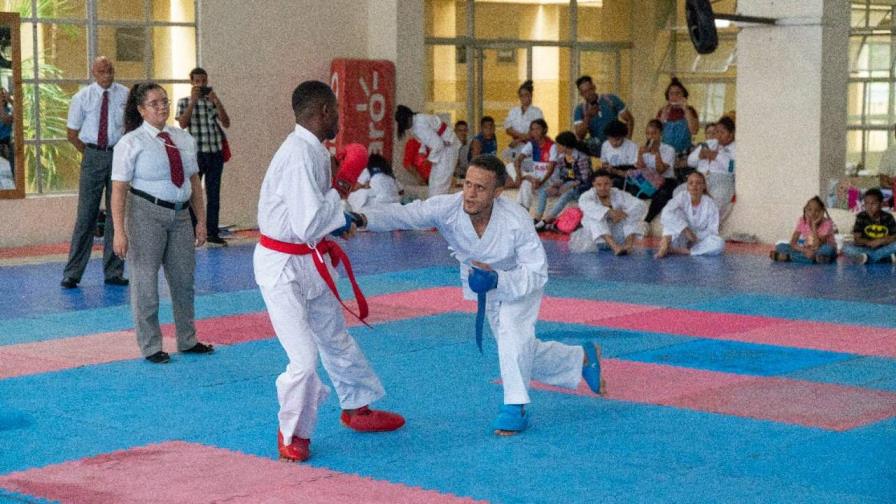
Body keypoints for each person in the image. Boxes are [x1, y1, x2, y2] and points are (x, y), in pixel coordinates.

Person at [359, 154, 606, 436]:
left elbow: (538, 272)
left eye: (480, 188)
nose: (470, 194)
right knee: (518, 350)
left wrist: (498, 278)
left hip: (519, 282)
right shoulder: (447, 208)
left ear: (497, 193)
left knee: (513, 335)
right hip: (483, 286)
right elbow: (404, 214)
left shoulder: (516, 220)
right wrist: (363, 217)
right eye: (467, 184)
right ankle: (580, 358)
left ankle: (515, 407)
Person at [255, 81, 404, 463]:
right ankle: (293, 431)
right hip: (282, 266)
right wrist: (342, 212)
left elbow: (316, 216)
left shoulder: (314, 152)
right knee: (304, 357)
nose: (340, 117)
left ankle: (356, 406)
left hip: (309, 259)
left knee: (335, 337)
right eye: (336, 110)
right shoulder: (298, 155)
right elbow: (308, 223)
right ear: (322, 111)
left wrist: (338, 209)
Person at [109, 82, 215, 364]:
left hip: (180, 214)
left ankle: (188, 339)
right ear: (141, 109)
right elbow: (118, 189)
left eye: (164, 102)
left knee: (184, 280)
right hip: (145, 213)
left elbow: (194, 181)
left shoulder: (182, 138)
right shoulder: (130, 143)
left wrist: (200, 221)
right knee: (145, 281)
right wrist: (119, 231)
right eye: (154, 103)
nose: (162, 107)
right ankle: (151, 345)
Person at [60, 56, 128, 289]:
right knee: (86, 216)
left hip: (118, 153)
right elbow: (71, 133)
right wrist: (90, 154)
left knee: (116, 215)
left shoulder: (125, 95)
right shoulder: (82, 97)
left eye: (110, 70)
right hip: (92, 153)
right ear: (94, 72)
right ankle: (72, 273)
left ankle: (114, 271)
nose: (107, 74)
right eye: (102, 71)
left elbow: (131, 127)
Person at [176, 67, 231, 246]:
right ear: (192, 82)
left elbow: (226, 122)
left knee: (214, 194)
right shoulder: (184, 101)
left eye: (204, 81)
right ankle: (192, 230)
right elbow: (183, 124)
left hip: (215, 152)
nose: (201, 84)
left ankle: (212, 232)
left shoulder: (212, 102)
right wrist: (193, 101)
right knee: (193, 193)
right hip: (196, 154)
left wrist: (217, 101)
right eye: (197, 81)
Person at [576, 170, 647, 255]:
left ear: (611, 183)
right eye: (599, 185)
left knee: (633, 215)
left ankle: (628, 246)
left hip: (617, 235)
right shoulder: (586, 196)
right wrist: (610, 212)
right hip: (597, 239)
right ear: (593, 184)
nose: (603, 188)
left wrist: (623, 213)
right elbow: (588, 207)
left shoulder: (618, 193)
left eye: (606, 184)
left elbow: (639, 205)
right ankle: (615, 248)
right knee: (595, 218)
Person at [655, 171, 724, 258]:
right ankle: (666, 242)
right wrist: (685, 229)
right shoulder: (682, 197)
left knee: (719, 243)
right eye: (691, 183)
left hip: (698, 240)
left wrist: (695, 237)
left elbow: (712, 230)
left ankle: (682, 251)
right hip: (681, 235)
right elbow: (666, 213)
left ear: (703, 186)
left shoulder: (711, 204)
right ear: (687, 186)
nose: (694, 185)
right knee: (673, 213)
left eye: (698, 183)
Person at [395, 105, 460, 197]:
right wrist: (422, 152)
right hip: (445, 148)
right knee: (434, 184)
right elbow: (425, 141)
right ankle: (435, 207)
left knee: (438, 188)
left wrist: (428, 160)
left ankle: (437, 209)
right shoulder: (418, 119)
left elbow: (438, 145)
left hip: (447, 149)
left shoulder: (419, 126)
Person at [533, 131, 593, 230]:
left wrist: (567, 186)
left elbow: (585, 179)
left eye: (558, 145)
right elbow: (563, 177)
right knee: (544, 191)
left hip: (581, 187)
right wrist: (557, 185)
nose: (556, 147)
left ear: (565, 146)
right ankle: (537, 219)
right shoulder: (561, 158)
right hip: (568, 184)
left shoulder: (582, 158)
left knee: (567, 194)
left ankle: (545, 221)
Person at [686, 116, 736, 222]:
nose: (718, 135)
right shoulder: (710, 143)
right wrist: (699, 156)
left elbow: (734, 168)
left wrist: (716, 156)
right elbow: (690, 162)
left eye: (722, 132)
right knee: (679, 193)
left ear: (731, 134)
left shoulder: (735, 148)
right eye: (717, 132)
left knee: (717, 198)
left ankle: (705, 227)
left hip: (721, 180)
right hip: (700, 177)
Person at [573, 75, 634, 156]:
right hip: (597, 146)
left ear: (594, 87)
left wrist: (627, 141)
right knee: (574, 144)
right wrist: (588, 117)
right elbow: (580, 136)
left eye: (590, 89)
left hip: (615, 141)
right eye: (585, 92)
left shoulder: (610, 99)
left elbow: (629, 119)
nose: (589, 94)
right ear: (581, 94)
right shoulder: (580, 109)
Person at [507, 119, 556, 213]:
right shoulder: (532, 144)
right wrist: (518, 176)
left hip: (548, 180)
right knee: (510, 166)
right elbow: (518, 160)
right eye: (533, 129)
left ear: (545, 130)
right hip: (534, 177)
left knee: (525, 184)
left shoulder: (551, 146)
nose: (535, 132)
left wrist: (541, 182)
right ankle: (522, 212)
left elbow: (551, 169)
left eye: (538, 129)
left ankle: (521, 212)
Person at [770, 196, 837, 264]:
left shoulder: (827, 223)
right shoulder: (802, 221)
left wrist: (814, 225)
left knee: (826, 250)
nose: (813, 213)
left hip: (822, 248)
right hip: (807, 247)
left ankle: (788, 257)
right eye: (810, 209)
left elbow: (817, 245)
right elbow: (793, 242)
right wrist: (805, 250)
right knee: (780, 246)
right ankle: (812, 258)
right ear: (805, 210)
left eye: (817, 210)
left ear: (822, 212)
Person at [634, 119, 677, 222]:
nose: (650, 137)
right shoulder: (644, 149)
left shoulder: (669, 149)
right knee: (630, 189)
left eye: (654, 133)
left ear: (660, 134)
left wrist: (657, 153)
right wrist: (640, 154)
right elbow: (640, 168)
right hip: (649, 180)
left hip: (665, 180)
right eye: (648, 134)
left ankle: (647, 220)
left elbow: (661, 170)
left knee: (662, 194)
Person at [842, 188, 896, 264]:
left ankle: (868, 259)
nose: (869, 207)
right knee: (846, 248)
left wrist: (881, 241)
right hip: (866, 249)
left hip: (884, 248)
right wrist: (869, 242)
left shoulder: (888, 217)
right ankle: (885, 258)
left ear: (881, 204)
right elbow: (857, 238)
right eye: (866, 203)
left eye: (873, 203)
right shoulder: (861, 216)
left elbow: (894, 236)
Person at [656, 77, 699, 158]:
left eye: (678, 93)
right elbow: (657, 133)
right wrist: (664, 115)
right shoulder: (662, 111)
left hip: (685, 154)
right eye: (671, 94)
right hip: (666, 154)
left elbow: (694, 131)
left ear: (684, 96)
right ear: (667, 96)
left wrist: (685, 109)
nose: (674, 96)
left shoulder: (690, 110)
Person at [503, 80, 544, 161]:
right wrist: (522, 136)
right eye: (521, 96)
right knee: (514, 169)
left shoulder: (537, 112)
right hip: (515, 149)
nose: (524, 98)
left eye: (526, 95)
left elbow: (535, 132)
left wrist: (518, 140)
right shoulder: (514, 111)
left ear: (531, 95)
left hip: (530, 148)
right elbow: (508, 129)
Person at [599, 120, 638, 189]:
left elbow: (634, 173)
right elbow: (604, 163)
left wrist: (616, 171)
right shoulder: (605, 145)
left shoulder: (632, 146)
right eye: (611, 139)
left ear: (623, 136)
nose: (614, 143)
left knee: (614, 183)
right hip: (610, 173)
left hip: (626, 177)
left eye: (618, 139)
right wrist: (607, 168)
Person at [0, 87, 13, 175]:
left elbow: (7, 120)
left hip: (7, 142)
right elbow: (5, 119)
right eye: (1, 95)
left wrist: (10, 100)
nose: (3, 97)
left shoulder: (8, 110)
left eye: (4, 95)